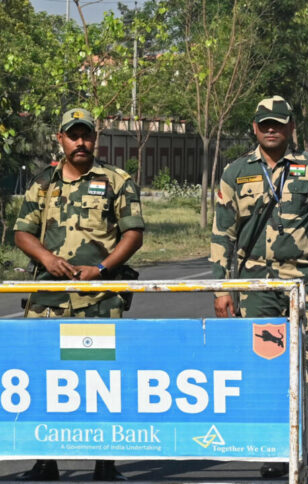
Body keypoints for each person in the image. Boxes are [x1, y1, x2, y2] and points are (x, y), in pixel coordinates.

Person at [210, 96, 308, 479]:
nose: (271, 129)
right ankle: (277, 447)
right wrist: (222, 288)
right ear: (255, 129)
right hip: (258, 285)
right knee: (266, 366)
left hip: (306, 280)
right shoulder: (236, 172)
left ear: (291, 128)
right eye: (264, 124)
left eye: (279, 123)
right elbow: (223, 234)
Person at [14, 107, 145, 481]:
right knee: (46, 378)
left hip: (98, 300)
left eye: (86, 135)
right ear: (61, 139)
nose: (81, 142)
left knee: (101, 382)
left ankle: (105, 463)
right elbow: (23, 232)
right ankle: (45, 461)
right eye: (74, 135)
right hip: (49, 301)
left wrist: (102, 270)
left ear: (95, 138)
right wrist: (47, 258)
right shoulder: (43, 183)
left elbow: (133, 234)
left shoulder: (117, 180)